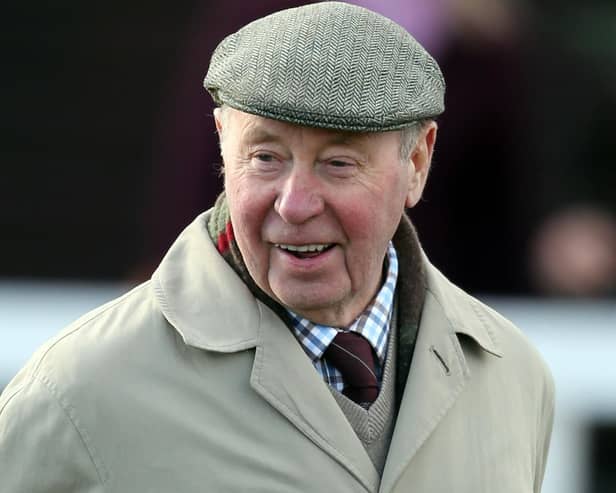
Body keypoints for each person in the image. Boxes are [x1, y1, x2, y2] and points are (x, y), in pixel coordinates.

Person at [0, 3, 554, 491]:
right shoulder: (77, 391)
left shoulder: (513, 378)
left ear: (416, 164)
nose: (294, 204)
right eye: (265, 157)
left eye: (338, 163)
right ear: (221, 141)